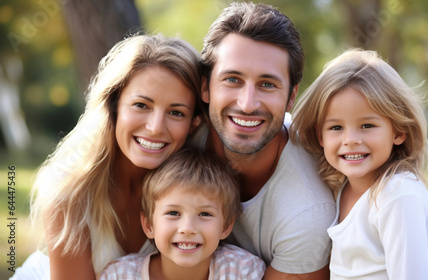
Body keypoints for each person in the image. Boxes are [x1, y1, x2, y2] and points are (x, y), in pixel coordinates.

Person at [12, 34, 204, 280]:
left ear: (194, 123)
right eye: (141, 105)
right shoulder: (70, 189)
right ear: (114, 106)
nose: (156, 127)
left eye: (176, 112)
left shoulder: (200, 186)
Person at [190, 2, 336, 278]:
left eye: (268, 84)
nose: (247, 104)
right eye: (232, 79)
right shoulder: (176, 137)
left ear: (291, 97)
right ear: (205, 87)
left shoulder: (306, 211)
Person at [290, 49, 428, 279]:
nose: (350, 140)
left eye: (367, 126)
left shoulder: (396, 195)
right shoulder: (342, 187)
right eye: (336, 127)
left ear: (399, 131)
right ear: (320, 137)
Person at [99, 148, 266, 280]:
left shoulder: (243, 271)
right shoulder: (119, 275)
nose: (187, 228)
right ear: (149, 225)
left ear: (226, 226)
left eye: (205, 214)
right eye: (173, 213)